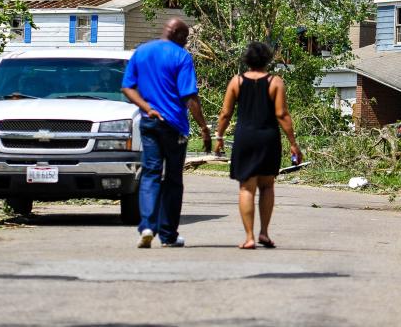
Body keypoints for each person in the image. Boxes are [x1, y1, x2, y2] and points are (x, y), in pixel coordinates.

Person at [121, 18, 211, 249]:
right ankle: (168, 235)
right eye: (186, 37)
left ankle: (148, 227)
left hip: (149, 122)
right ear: (179, 35)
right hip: (174, 125)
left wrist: (147, 107)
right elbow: (189, 97)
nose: (187, 41)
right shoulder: (181, 57)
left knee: (150, 173)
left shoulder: (142, 51)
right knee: (173, 179)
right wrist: (203, 128)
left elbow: (127, 87)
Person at [215, 42, 302, 249]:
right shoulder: (275, 82)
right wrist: (293, 144)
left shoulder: (236, 81)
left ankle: (249, 237)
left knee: (246, 187)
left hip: (245, 138)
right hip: (268, 137)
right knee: (267, 185)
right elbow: (282, 114)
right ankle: (264, 233)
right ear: (267, 60)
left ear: (246, 60)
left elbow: (225, 114)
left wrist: (219, 137)